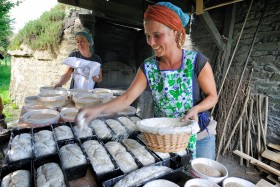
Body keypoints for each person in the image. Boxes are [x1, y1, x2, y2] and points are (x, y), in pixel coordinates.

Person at [76, 2, 218, 160]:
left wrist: (196, 109)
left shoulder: (197, 62)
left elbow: (212, 96)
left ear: (176, 32)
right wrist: (96, 110)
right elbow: (126, 99)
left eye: (157, 35)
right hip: (164, 139)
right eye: (147, 36)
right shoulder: (149, 67)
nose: (151, 42)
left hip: (200, 136)